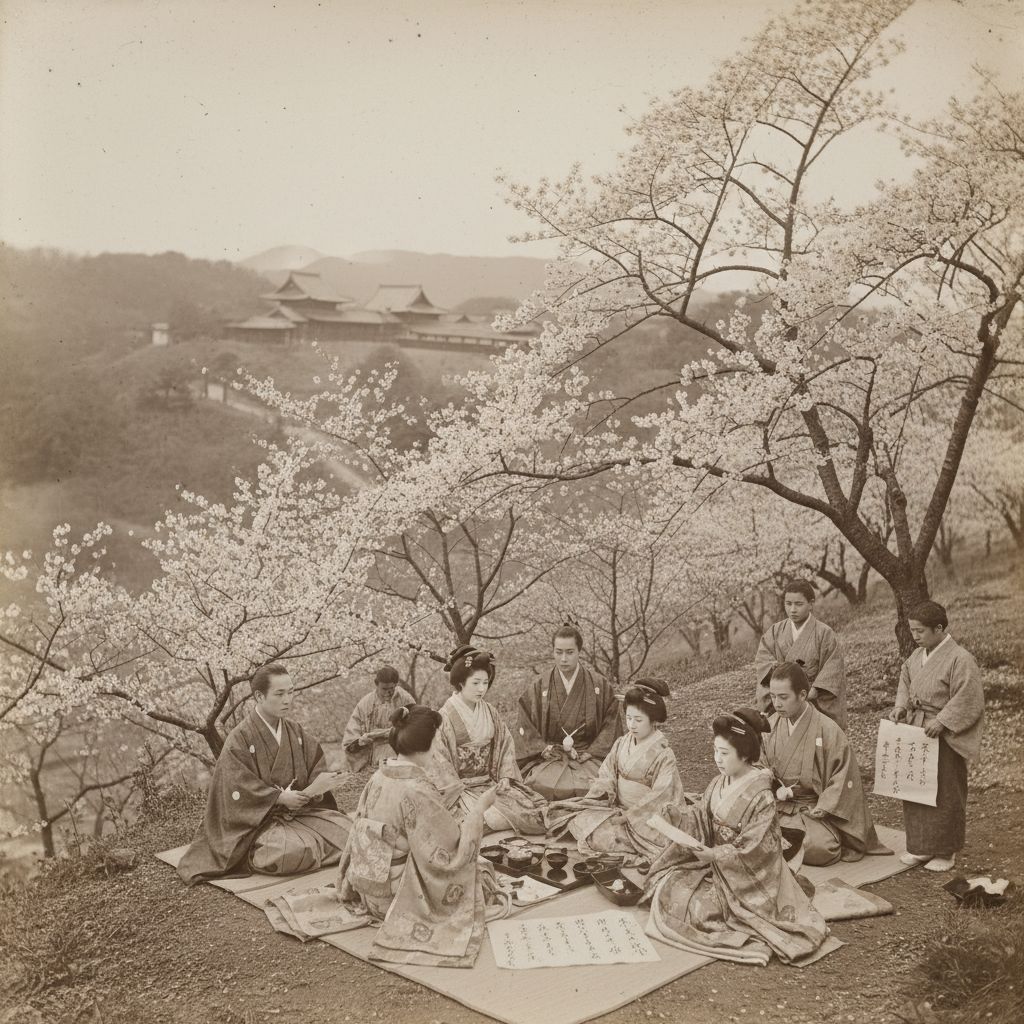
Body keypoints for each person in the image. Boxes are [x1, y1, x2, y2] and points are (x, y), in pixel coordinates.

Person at [643, 708, 828, 966]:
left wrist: (717, 854)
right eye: (715, 751)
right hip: (716, 863)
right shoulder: (719, 782)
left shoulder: (762, 796)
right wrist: (676, 816)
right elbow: (701, 816)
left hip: (745, 874)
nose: (717, 759)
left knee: (700, 908)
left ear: (744, 754)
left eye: (724, 753)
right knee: (669, 882)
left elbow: (758, 847)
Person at [337, 705, 508, 967]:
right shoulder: (416, 789)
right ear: (428, 743)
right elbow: (449, 855)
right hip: (396, 900)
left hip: (365, 890)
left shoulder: (379, 776)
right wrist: (479, 808)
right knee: (482, 875)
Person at [178, 664, 350, 885]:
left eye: (291, 692)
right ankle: (256, 855)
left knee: (349, 831)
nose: (288, 699)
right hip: (259, 824)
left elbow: (315, 762)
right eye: (280, 694)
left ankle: (306, 849)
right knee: (292, 851)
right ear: (259, 696)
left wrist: (317, 788)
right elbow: (236, 787)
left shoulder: (294, 731)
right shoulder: (240, 738)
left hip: (299, 814)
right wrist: (278, 798)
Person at [886, 601, 984, 873]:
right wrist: (900, 707)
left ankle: (945, 850)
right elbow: (905, 682)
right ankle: (921, 847)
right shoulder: (916, 657)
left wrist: (943, 721)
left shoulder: (960, 658)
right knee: (915, 789)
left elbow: (969, 696)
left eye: (920, 631)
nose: (915, 636)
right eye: (912, 631)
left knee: (945, 792)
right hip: (917, 729)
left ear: (939, 629)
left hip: (944, 735)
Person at [546, 679, 687, 863]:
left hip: (646, 818)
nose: (632, 725)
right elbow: (607, 774)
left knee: (600, 836)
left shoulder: (664, 754)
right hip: (617, 808)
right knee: (577, 819)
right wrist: (602, 795)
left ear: (654, 721)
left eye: (638, 720)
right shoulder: (622, 743)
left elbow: (661, 795)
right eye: (628, 718)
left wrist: (630, 815)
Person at [763, 662, 890, 865]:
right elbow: (759, 768)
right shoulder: (769, 726)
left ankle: (778, 842)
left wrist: (824, 807)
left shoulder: (828, 729)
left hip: (812, 809)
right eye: (772, 696)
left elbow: (843, 777)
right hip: (777, 805)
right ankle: (781, 838)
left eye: (783, 697)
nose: (776, 704)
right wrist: (772, 786)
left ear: (803, 695)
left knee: (823, 849)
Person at [431, 644, 546, 834]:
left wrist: (505, 777)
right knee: (474, 822)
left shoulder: (490, 712)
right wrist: (454, 790)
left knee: (531, 815)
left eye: (485, 682)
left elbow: (505, 745)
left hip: (490, 783)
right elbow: (439, 761)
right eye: (475, 683)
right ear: (461, 682)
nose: (482, 689)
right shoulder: (444, 717)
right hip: (460, 789)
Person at [514, 623, 623, 800]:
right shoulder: (540, 685)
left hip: (588, 756)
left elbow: (611, 722)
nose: (564, 658)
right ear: (553, 652)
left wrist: (593, 751)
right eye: (559, 652)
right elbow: (525, 722)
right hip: (550, 757)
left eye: (570, 652)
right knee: (539, 785)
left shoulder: (599, 684)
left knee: (598, 784)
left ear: (579, 651)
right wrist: (543, 748)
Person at [754, 579, 848, 729]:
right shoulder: (774, 631)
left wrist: (813, 691)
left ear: (811, 604)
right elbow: (763, 662)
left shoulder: (824, 634)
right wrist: (779, 679)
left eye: (798, 604)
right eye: (788, 604)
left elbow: (833, 669)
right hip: (781, 701)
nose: (792, 610)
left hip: (812, 702)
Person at [341, 665, 415, 772]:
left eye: (391, 688)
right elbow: (352, 731)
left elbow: (415, 723)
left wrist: (393, 733)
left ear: (396, 684)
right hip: (372, 752)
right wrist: (360, 741)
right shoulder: (366, 704)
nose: (388, 693)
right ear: (376, 685)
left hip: (399, 748)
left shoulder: (405, 698)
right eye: (384, 689)